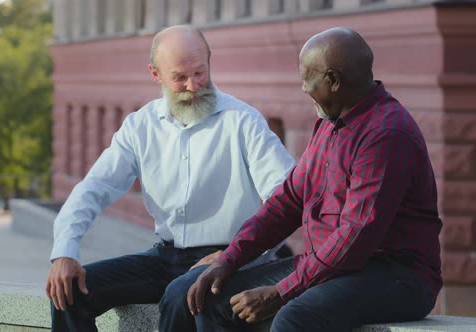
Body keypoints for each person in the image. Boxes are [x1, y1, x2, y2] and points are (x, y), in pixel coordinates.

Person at [186, 27, 442, 332]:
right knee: (212, 298)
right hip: (335, 265)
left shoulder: (386, 134)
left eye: (308, 78)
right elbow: (289, 201)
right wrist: (230, 258)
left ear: (333, 81)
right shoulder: (330, 123)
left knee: (296, 316)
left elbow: (355, 237)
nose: (304, 88)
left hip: (397, 276)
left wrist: (281, 291)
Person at [45, 25, 295, 332]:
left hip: (231, 258)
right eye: (179, 77)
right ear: (155, 74)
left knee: (182, 297)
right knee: (69, 293)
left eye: (200, 73)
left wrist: (236, 254)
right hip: (165, 258)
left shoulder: (244, 121)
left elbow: (287, 197)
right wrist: (64, 252)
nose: (193, 86)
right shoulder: (139, 126)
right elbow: (94, 188)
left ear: (209, 60)